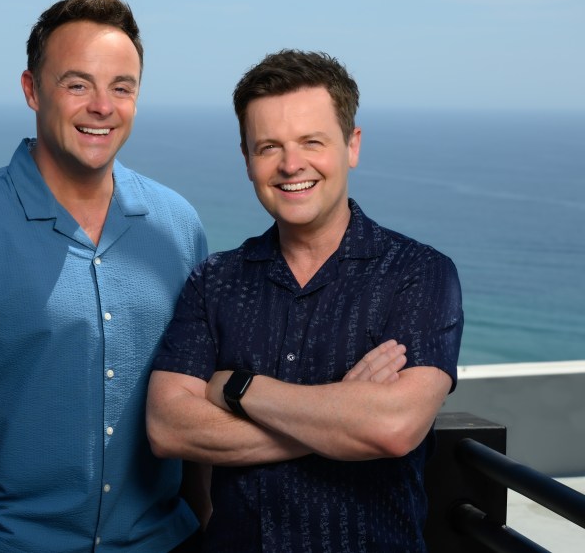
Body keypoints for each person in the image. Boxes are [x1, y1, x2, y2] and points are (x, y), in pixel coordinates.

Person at [0, 0, 210, 552]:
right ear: (31, 90)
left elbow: (201, 390)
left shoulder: (180, 226)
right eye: (77, 84)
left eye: (122, 87)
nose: (102, 106)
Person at [146, 49, 464, 552]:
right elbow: (167, 427)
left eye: (311, 142)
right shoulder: (215, 280)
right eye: (268, 146)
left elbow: (394, 428)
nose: (291, 164)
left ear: (351, 145)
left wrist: (238, 389)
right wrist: (339, 421)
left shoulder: (419, 274)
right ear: (247, 159)